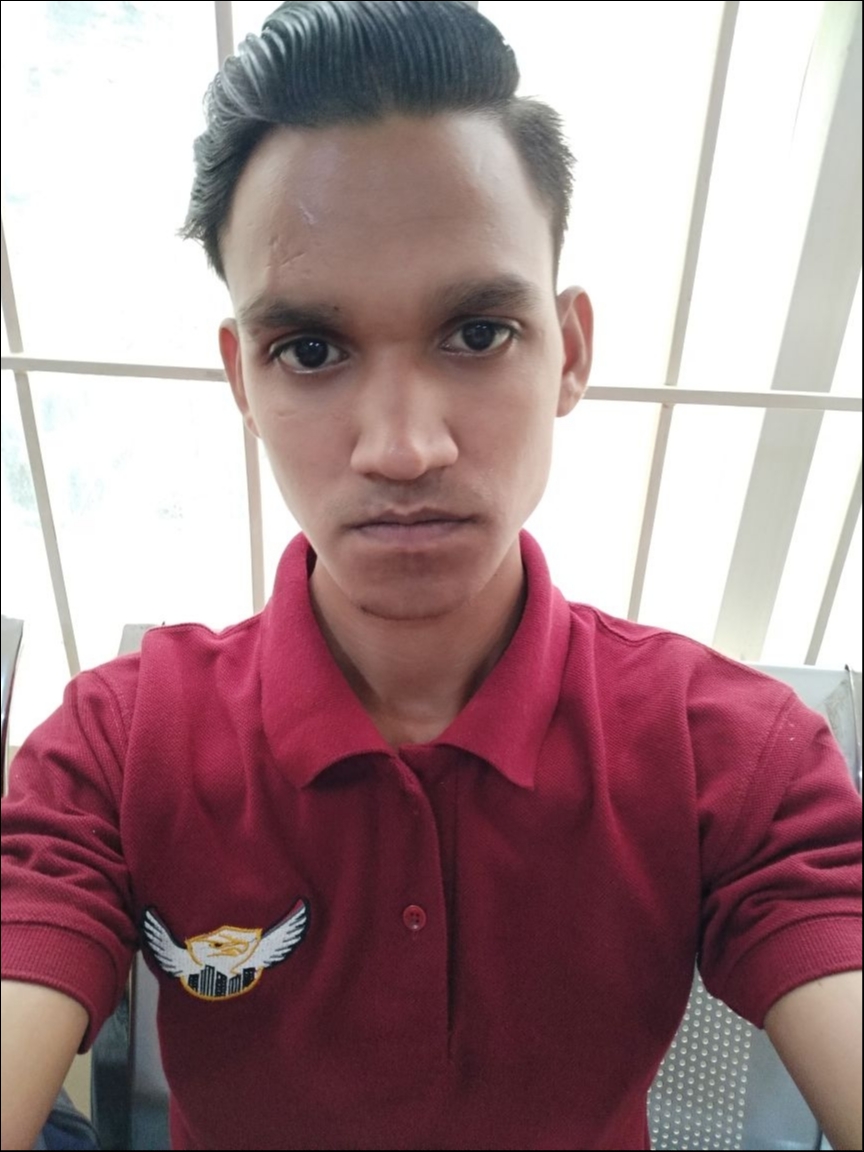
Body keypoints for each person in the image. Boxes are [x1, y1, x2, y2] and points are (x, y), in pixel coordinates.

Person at [2, 2, 862, 1149]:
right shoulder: (114, 751)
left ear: (571, 350)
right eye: (311, 350)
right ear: (244, 379)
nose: (404, 449)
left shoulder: (737, 755)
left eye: (477, 333)